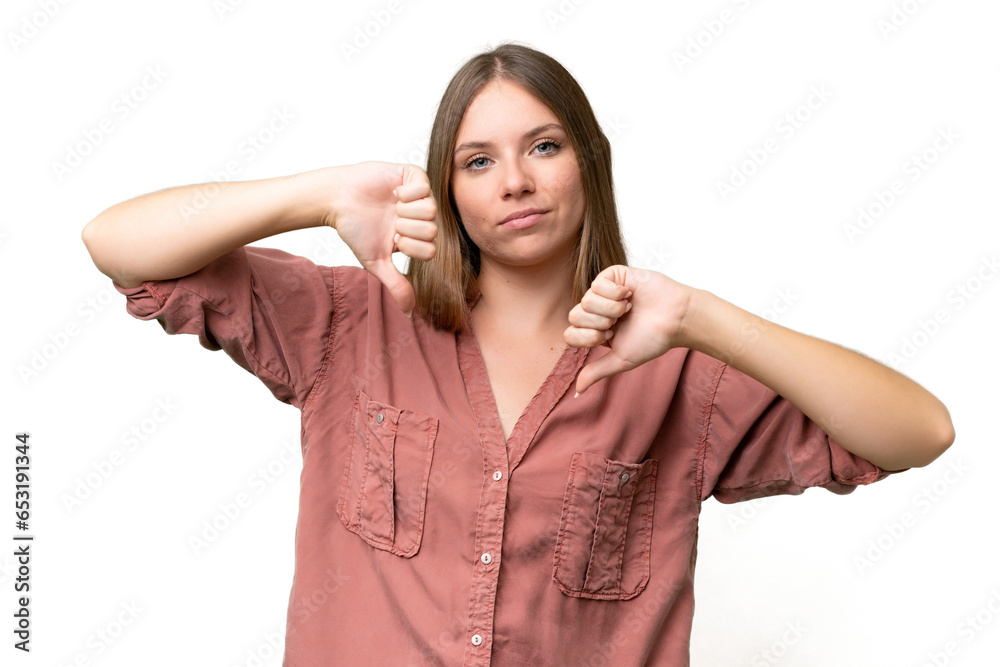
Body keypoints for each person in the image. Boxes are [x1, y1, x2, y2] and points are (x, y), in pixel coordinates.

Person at [82, 42, 954, 666]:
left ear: (588, 162)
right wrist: (318, 195)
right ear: (446, 187)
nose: (515, 182)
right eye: (477, 161)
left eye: (543, 146)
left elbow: (919, 431)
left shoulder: (675, 370)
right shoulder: (348, 321)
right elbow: (117, 245)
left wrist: (702, 317)